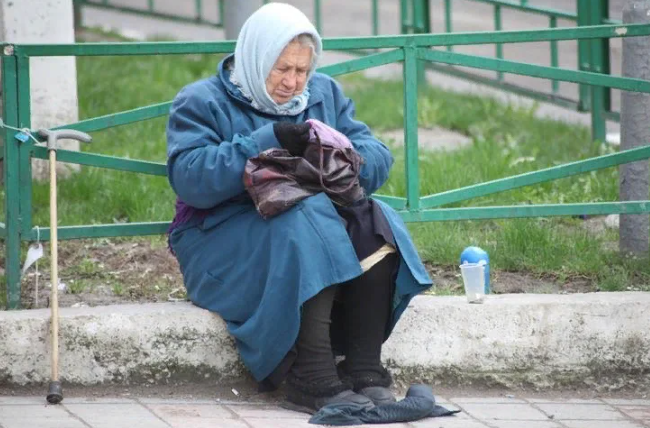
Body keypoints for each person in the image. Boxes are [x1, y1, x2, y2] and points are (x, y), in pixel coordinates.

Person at [166, 2, 432, 414]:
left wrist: (343, 161)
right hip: (219, 238)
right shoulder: (202, 101)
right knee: (305, 220)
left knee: (375, 221)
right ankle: (311, 376)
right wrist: (265, 140)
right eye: (282, 69)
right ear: (255, 59)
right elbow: (191, 178)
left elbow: (376, 153)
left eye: (302, 70)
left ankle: (363, 368)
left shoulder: (323, 94)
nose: (294, 83)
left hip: (307, 222)